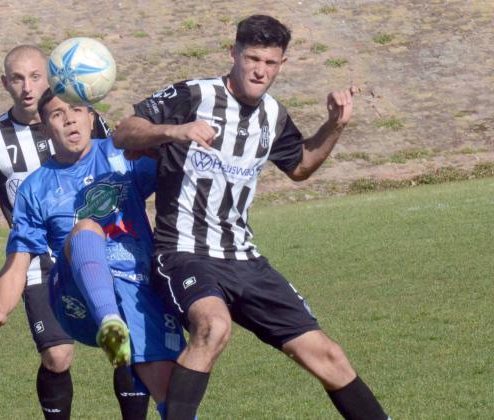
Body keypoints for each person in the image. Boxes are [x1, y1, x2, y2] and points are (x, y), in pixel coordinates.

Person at [113, 15, 389, 420]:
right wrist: (174, 131)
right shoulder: (193, 95)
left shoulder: (273, 116)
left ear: (282, 64)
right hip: (183, 252)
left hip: (245, 259)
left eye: (270, 62)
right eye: (252, 58)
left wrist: (334, 125)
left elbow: (300, 166)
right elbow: (124, 131)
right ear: (234, 53)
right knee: (214, 326)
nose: (260, 70)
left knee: (329, 357)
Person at [0, 45, 151, 419]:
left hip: (115, 259)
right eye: (17, 78)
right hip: (44, 265)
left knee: (130, 352)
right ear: (5, 83)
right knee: (58, 355)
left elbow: (134, 181)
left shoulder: (99, 133)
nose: (27, 86)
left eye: (36, 76)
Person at [0, 89, 186, 418]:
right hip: (75, 297)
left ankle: (119, 329)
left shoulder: (123, 156)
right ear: (44, 129)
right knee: (87, 229)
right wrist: (0, 308)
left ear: (91, 117)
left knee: (172, 396)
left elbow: (179, 170)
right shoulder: (35, 188)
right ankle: (110, 323)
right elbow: (19, 261)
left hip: (136, 287)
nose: (70, 118)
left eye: (77, 109)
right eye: (57, 114)